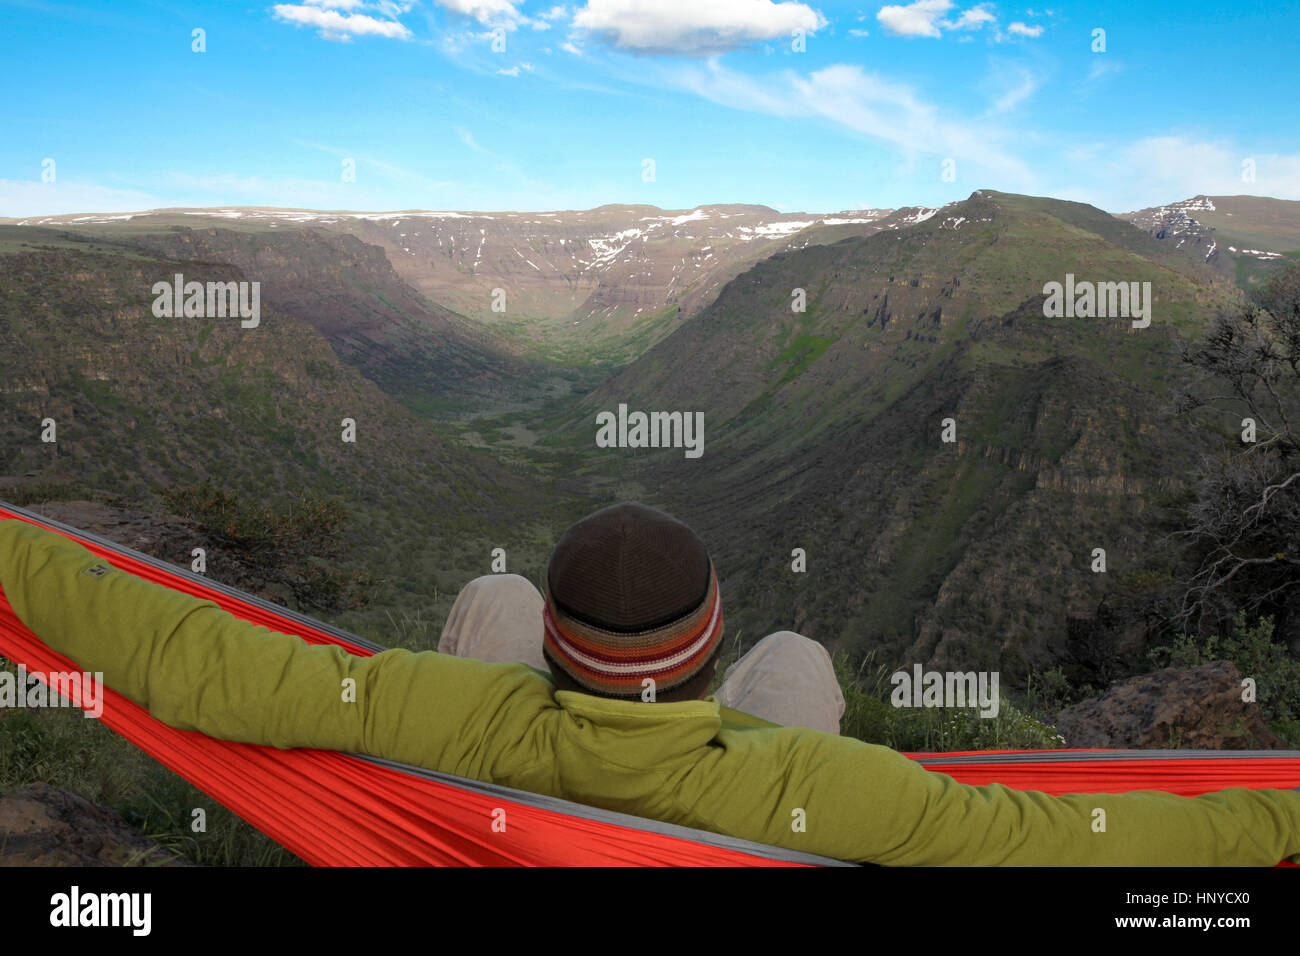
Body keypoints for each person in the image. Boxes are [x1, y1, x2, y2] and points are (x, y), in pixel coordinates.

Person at [1, 509, 1299, 866]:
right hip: (728, 805)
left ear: (563, 651)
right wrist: (1275, 819)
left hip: (489, 795)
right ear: (702, 646)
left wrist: (12, 547)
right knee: (797, 665)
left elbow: (188, 659)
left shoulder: (438, 710)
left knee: (489, 595)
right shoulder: (840, 794)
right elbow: (1075, 833)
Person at [436, 502, 845, 735]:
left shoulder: (485, 738)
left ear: (551, 659)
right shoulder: (788, 782)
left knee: (499, 591)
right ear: (715, 656)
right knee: (793, 652)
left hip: (538, 770)